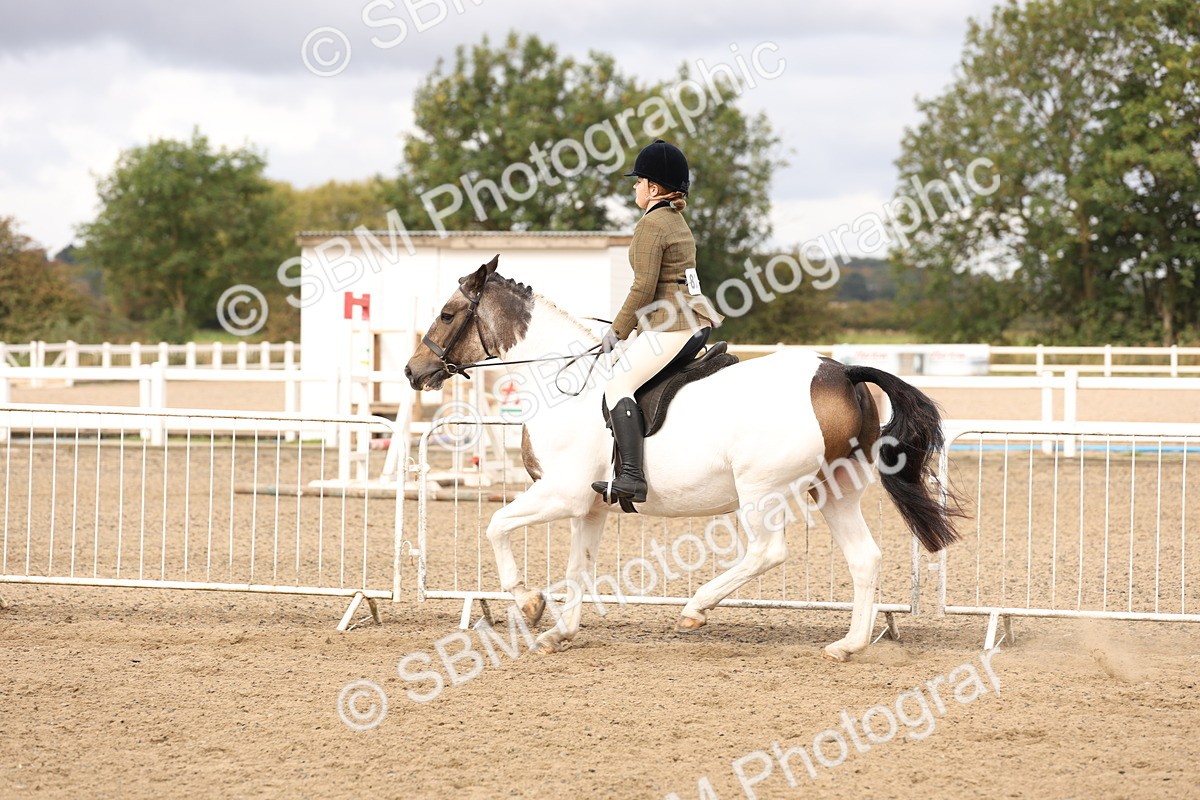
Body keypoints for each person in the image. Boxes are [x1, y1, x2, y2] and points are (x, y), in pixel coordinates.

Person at [592, 139, 724, 504]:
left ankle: (632, 477)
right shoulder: (675, 220)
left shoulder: (651, 225)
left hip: (673, 325)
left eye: (637, 182)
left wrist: (617, 332)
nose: (634, 187)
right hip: (689, 319)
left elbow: (643, 285)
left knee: (617, 385)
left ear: (653, 188)